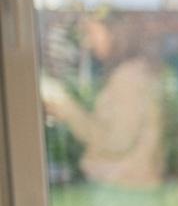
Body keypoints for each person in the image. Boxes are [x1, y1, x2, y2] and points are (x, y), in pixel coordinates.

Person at [40, 12, 166, 188]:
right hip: (127, 187)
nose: (88, 42)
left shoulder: (128, 78)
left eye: (93, 33)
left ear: (115, 34)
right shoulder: (131, 74)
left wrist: (67, 108)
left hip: (125, 190)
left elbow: (116, 143)